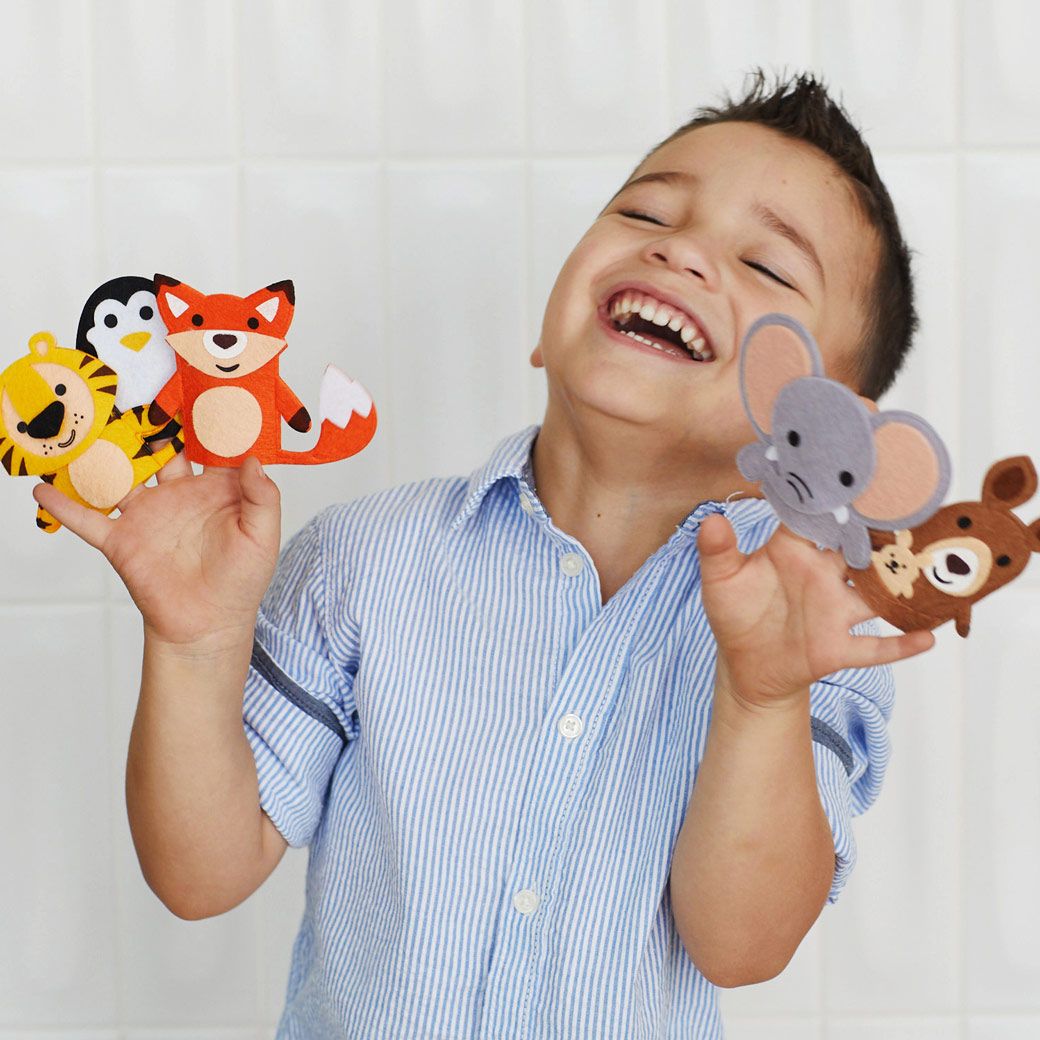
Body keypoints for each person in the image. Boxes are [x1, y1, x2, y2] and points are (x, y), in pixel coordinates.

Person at [36, 69, 935, 1038]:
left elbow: (740, 943)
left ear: (834, 434)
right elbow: (198, 872)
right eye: (643, 211)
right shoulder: (363, 560)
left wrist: (763, 695)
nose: (678, 251)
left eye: (765, 266)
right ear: (545, 329)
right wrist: (194, 643)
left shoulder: (818, 637)